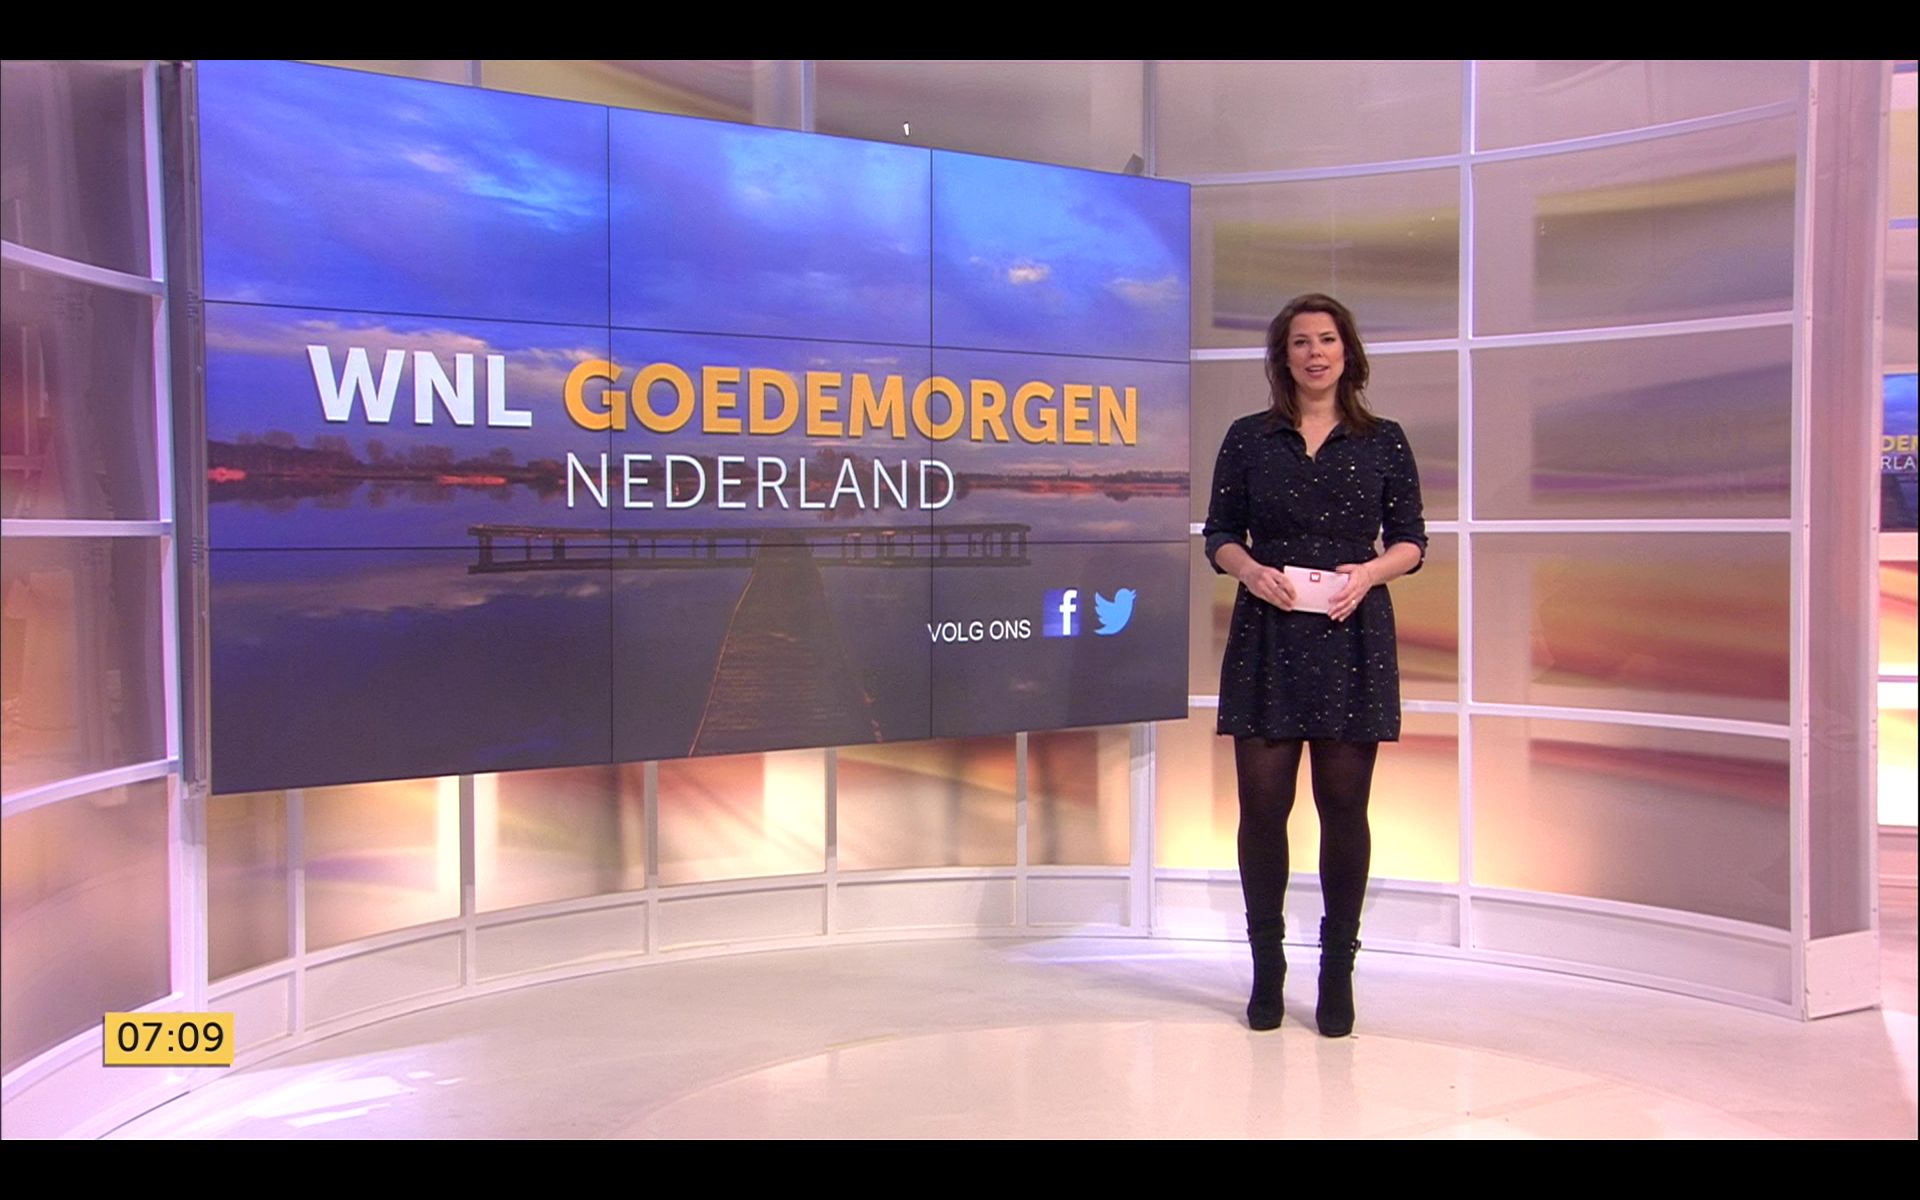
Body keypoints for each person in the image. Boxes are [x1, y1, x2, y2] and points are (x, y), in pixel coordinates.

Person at [1201, 292, 1427, 1037]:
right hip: (1268, 634)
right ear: (1284, 357)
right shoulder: (1248, 437)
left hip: (1350, 634)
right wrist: (1249, 570)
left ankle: (1337, 971)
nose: (1315, 353)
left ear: (1347, 352)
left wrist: (1370, 574)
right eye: (1301, 341)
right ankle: (1267, 970)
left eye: (1327, 339)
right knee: (1262, 809)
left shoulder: (1384, 440)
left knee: (1343, 808)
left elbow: (1412, 541)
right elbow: (1220, 534)